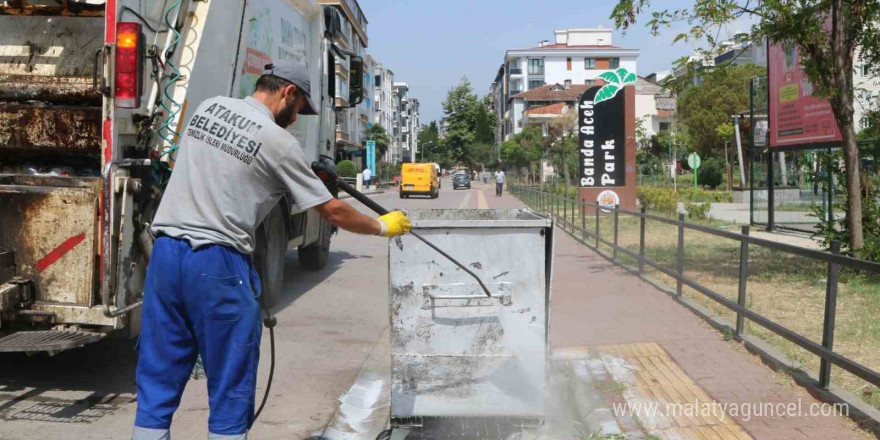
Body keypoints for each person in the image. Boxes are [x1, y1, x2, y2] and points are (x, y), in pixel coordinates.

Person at [132, 60, 411, 440]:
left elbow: (222, 166)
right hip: (216, 263)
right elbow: (331, 210)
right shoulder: (279, 143)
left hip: (165, 256)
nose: (295, 119)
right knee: (231, 379)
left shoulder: (207, 108)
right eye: (298, 110)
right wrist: (382, 225)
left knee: (158, 373)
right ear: (288, 93)